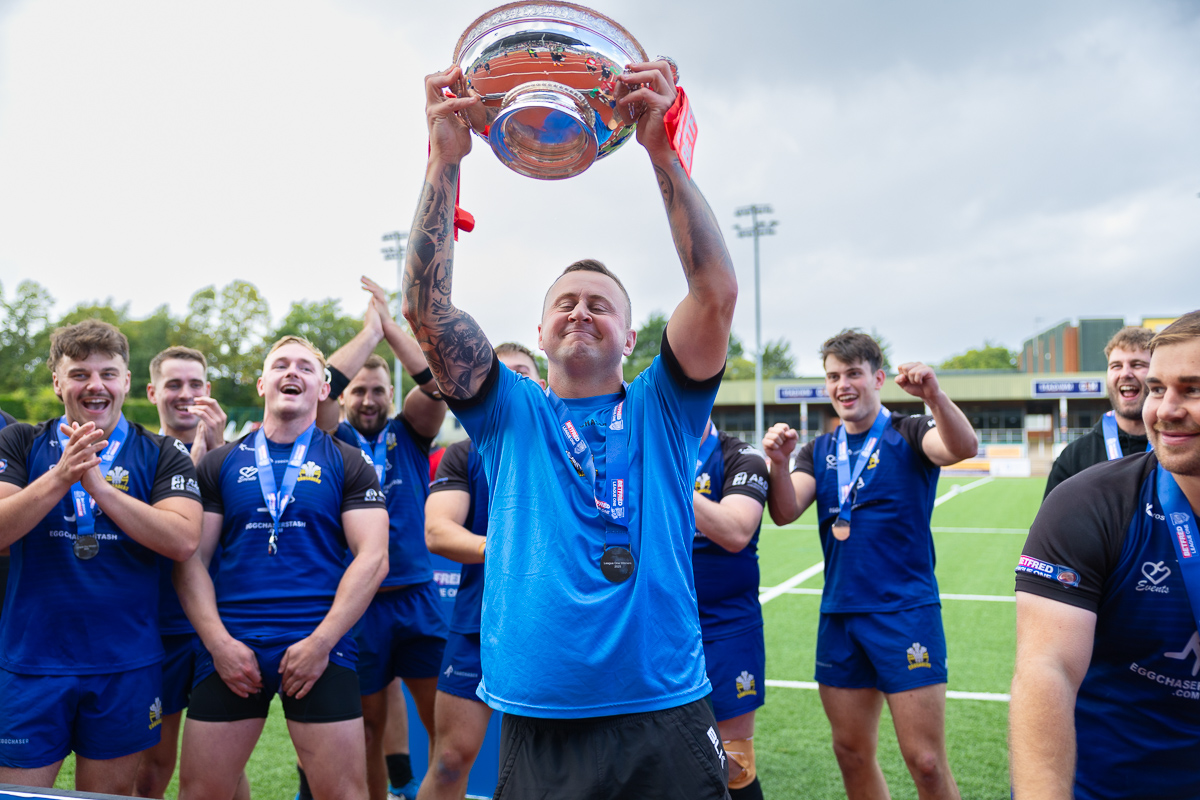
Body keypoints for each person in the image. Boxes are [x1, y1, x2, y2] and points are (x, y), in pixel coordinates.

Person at [404, 61, 738, 799]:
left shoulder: (663, 406)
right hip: (541, 717)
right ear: (539, 331)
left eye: (601, 304)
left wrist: (663, 154)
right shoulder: (509, 410)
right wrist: (443, 163)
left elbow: (715, 293)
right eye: (565, 302)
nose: (581, 311)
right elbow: (427, 313)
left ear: (631, 339)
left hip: (664, 711)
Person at [761, 329, 978, 800]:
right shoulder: (818, 450)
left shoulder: (909, 431)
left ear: (878, 378)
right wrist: (777, 463)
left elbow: (963, 448)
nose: (843, 385)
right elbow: (784, 511)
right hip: (840, 616)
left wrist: (934, 396)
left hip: (906, 613)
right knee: (851, 753)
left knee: (926, 762)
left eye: (853, 373)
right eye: (833, 376)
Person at [174, 335, 390, 800]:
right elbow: (191, 558)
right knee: (201, 794)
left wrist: (321, 643)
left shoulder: (349, 462)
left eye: (306, 367)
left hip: (319, 644)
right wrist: (218, 644)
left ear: (324, 389)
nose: (292, 372)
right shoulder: (220, 462)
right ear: (262, 384)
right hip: (232, 646)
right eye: (280, 365)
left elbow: (373, 558)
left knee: (344, 795)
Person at [0, 319, 202, 795]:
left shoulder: (163, 452)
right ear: (57, 383)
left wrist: (99, 488)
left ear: (126, 382)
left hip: (125, 665)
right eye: (79, 374)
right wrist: (60, 477)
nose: (95, 385)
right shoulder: (21, 442)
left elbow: (182, 540)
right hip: (31, 663)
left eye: (108, 374)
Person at [1010, 310, 1200, 800]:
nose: (1166, 410)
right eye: (1158, 389)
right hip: (1106, 786)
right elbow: (1046, 668)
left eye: (1193, 390)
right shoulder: (1085, 501)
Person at [306, 278, 448, 800]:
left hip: (416, 597)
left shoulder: (410, 432)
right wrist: (368, 334)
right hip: (359, 604)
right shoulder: (330, 438)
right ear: (344, 396)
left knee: (441, 724)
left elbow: (437, 386)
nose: (369, 400)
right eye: (359, 391)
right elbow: (321, 387)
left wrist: (390, 329)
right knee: (366, 728)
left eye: (378, 391)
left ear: (392, 395)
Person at [419, 343, 544, 800]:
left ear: (541, 385)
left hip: (552, 627)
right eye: (500, 375)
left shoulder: (571, 448)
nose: (511, 383)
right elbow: (438, 531)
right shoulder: (462, 452)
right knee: (450, 761)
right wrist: (510, 549)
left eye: (521, 373)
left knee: (551, 768)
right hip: (478, 626)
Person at [136, 346, 245, 799]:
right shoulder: (138, 454)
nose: (186, 394)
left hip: (219, 629)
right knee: (153, 765)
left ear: (209, 389)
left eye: (195, 384)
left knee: (226, 764)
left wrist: (216, 455)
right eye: (174, 384)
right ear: (151, 392)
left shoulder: (240, 457)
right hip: (156, 629)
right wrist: (193, 468)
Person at [692, 419, 770, 800]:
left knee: (734, 765)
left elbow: (737, 531)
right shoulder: (636, 448)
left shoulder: (742, 457)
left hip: (727, 628)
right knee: (667, 759)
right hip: (660, 627)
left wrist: (664, 474)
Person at [1043, 326, 1155, 498]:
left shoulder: (1182, 449)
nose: (1125, 373)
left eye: (1137, 364)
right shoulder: (1074, 457)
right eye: (1116, 366)